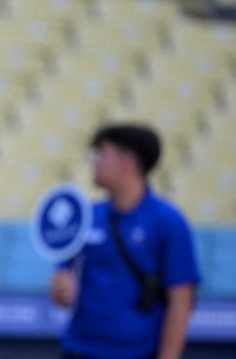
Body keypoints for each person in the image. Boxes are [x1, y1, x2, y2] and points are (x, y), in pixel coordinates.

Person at [49, 123, 200, 359]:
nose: (94, 161)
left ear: (127, 161)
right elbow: (60, 281)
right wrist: (60, 288)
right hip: (78, 350)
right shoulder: (87, 216)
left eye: (101, 153)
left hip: (137, 352)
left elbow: (181, 299)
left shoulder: (168, 221)